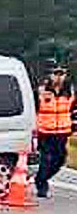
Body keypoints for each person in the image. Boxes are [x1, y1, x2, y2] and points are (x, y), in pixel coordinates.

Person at [34, 62, 74, 198]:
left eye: (61, 74)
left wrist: (73, 126)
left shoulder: (70, 92)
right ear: (50, 76)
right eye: (55, 74)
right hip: (45, 132)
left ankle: (41, 178)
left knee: (60, 160)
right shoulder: (41, 91)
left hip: (62, 133)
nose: (58, 77)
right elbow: (34, 110)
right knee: (46, 159)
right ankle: (42, 186)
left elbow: (73, 111)